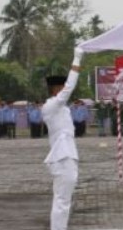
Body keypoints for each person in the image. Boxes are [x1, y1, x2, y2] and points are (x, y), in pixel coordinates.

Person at [41, 48, 83, 230]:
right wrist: (77, 59)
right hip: (62, 156)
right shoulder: (51, 105)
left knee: (63, 199)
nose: (65, 90)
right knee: (62, 200)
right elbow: (69, 89)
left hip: (67, 155)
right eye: (62, 87)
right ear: (56, 89)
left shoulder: (62, 108)